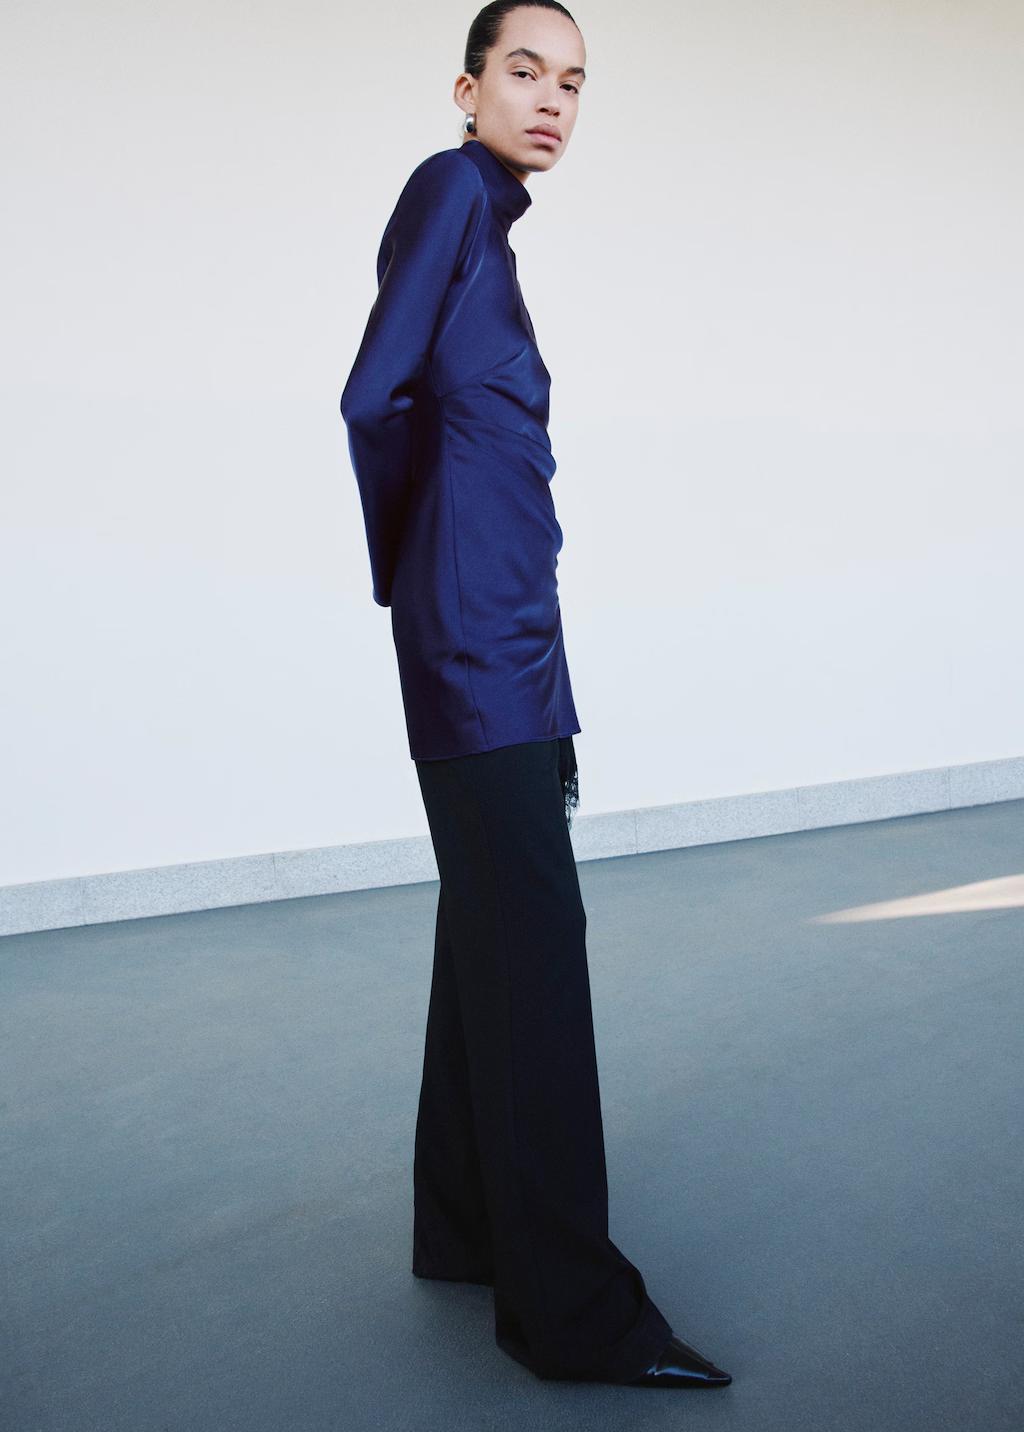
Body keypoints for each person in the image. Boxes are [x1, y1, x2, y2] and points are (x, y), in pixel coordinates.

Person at [340, 0, 732, 1390]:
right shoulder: (451, 190)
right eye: (524, 71)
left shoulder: (486, 226)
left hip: (506, 631)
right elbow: (373, 399)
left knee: (488, 930)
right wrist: (416, 568)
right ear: (467, 89)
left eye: (573, 80)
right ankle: (575, 1316)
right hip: (476, 639)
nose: (552, 98)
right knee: (537, 961)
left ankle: (462, 1228)